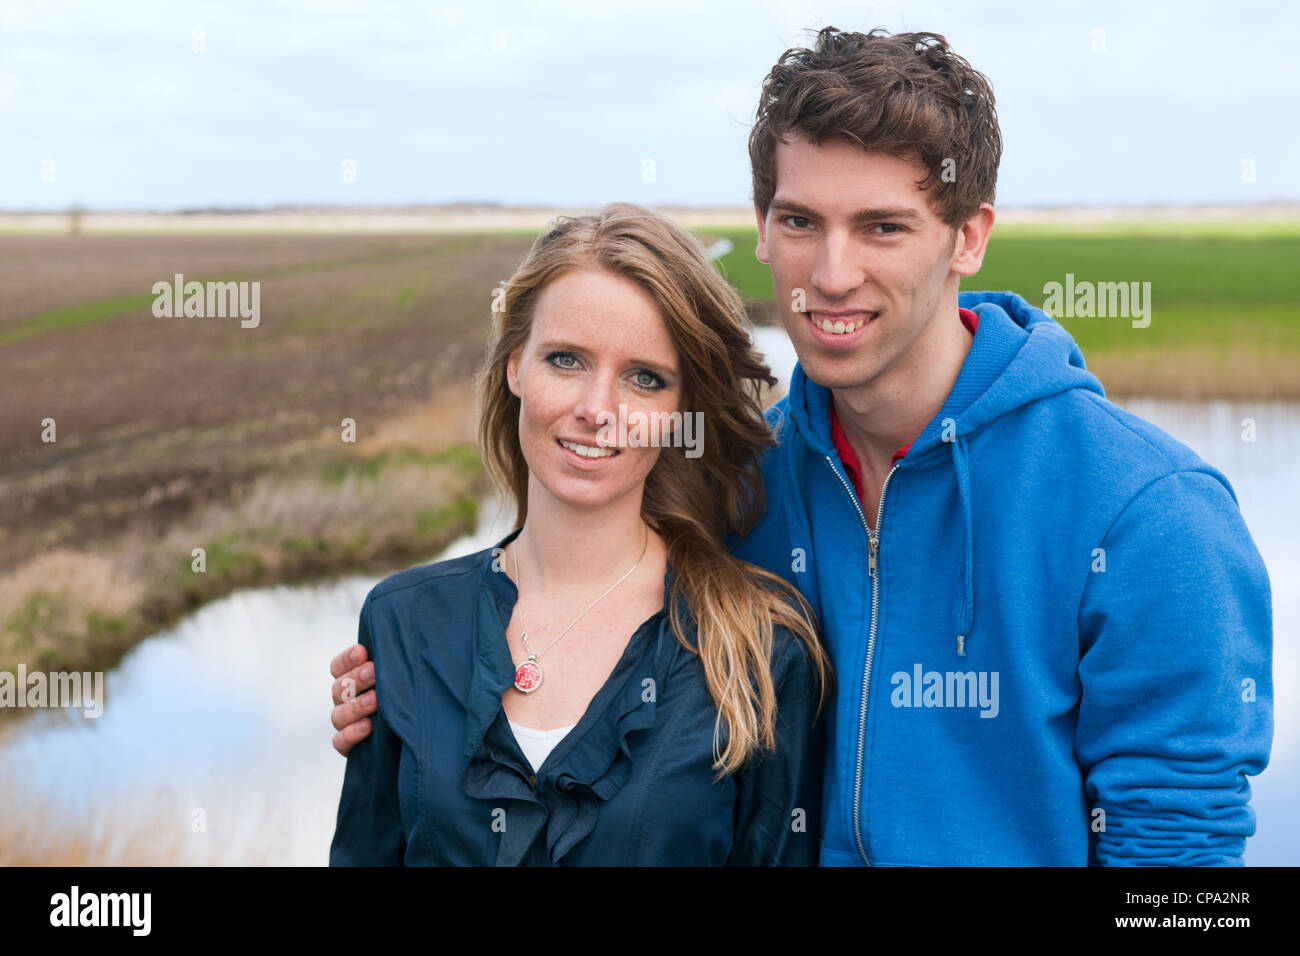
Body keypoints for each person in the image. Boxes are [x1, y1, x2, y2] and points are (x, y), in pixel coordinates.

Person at [332, 27, 1273, 866]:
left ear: (968, 237)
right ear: (762, 228)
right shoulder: (742, 475)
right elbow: (584, 596)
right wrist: (421, 689)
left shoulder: (1147, 513)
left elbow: (1183, 868)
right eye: (799, 222)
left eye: (883, 227)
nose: (831, 273)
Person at [329, 203, 832, 865]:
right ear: (515, 365)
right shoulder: (403, 623)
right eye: (566, 360)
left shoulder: (759, 652)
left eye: (644, 378)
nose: (598, 410)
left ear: (680, 409)